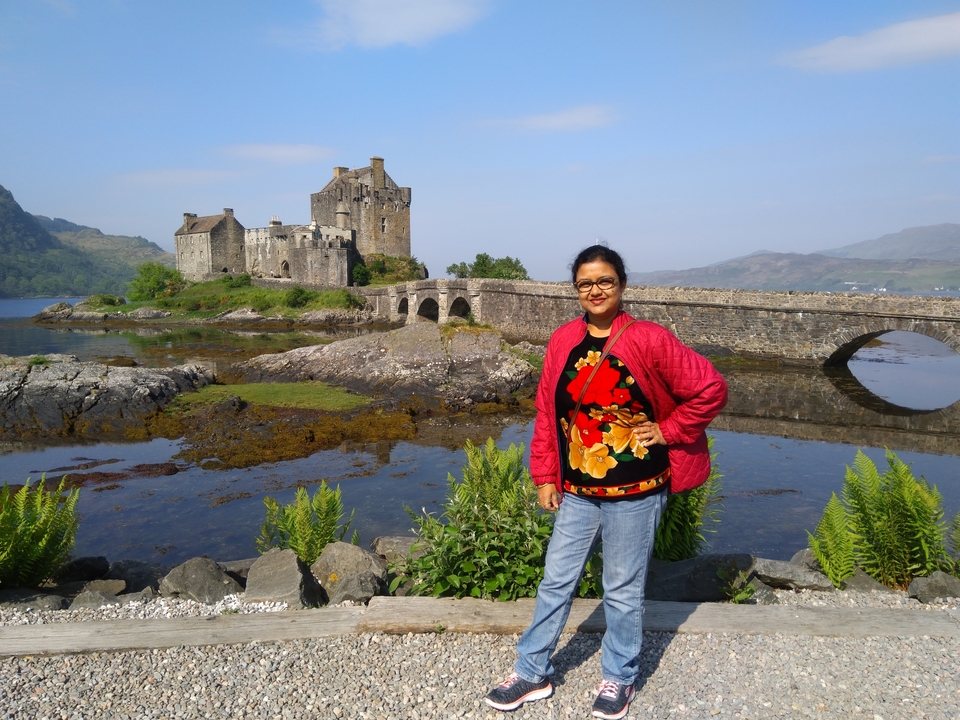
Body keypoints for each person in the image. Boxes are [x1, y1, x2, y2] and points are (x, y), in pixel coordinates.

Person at [484, 245, 728, 719]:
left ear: (621, 285)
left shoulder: (649, 338)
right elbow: (547, 414)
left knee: (621, 588)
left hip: (636, 490)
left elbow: (710, 388)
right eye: (585, 283)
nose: (595, 290)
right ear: (576, 289)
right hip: (577, 489)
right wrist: (544, 476)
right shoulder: (563, 342)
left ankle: (619, 678)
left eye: (605, 281)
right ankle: (532, 671)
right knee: (556, 580)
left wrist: (668, 431)